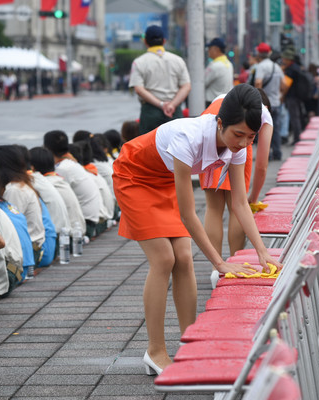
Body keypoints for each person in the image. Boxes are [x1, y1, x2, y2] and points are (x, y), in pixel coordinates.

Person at [112, 84, 282, 374]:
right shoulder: (187, 137)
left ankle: (191, 343)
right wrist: (219, 262)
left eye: (250, 137)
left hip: (163, 179)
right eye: (238, 134)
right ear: (219, 123)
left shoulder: (238, 147)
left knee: (185, 258)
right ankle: (155, 351)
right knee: (165, 258)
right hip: (134, 176)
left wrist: (262, 252)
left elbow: (240, 204)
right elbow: (190, 214)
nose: (243, 142)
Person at [199, 89, 274, 257]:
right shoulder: (264, 112)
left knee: (213, 208)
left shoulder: (227, 99)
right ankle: (235, 260)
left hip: (211, 140)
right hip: (235, 143)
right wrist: (253, 198)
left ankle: (215, 267)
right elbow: (262, 165)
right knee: (238, 207)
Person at [129, 25, 191, 135]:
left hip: (150, 112)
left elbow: (139, 89)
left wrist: (161, 104)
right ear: (164, 41)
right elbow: (186, 86)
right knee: (176, 148)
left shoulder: (139, 62)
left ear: (145, 41)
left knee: (150, 149)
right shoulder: (178, 60)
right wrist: (172, 105)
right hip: (174, 111)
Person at [43, 130, 103, 238]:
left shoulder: (63, 169)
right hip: (91, 221)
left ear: (47, 149)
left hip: (86, 226)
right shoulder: (70, 163)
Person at [30, 147, 86, 236]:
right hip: (76, 232)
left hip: (67, 237)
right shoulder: (58, 180)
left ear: (32, 169)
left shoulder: (42, 184)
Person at [253, 42, 286, 161]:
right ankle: (277, 153)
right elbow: (284, 85)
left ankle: (266, 154)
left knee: (263, 130)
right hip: (276, 102)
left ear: (259, 54)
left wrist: (257, 98)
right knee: (275, 129)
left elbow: (258, 83)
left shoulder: (261, 66)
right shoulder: (276, 66)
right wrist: (280, 95)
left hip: (265, 104)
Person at [204, 38, 234, 107]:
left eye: (209, 48)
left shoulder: (214, 65)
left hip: (212, 103)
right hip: (225, 102)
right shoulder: (229, 64)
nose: (208, 51)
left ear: (216, 49)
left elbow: (202, 83)